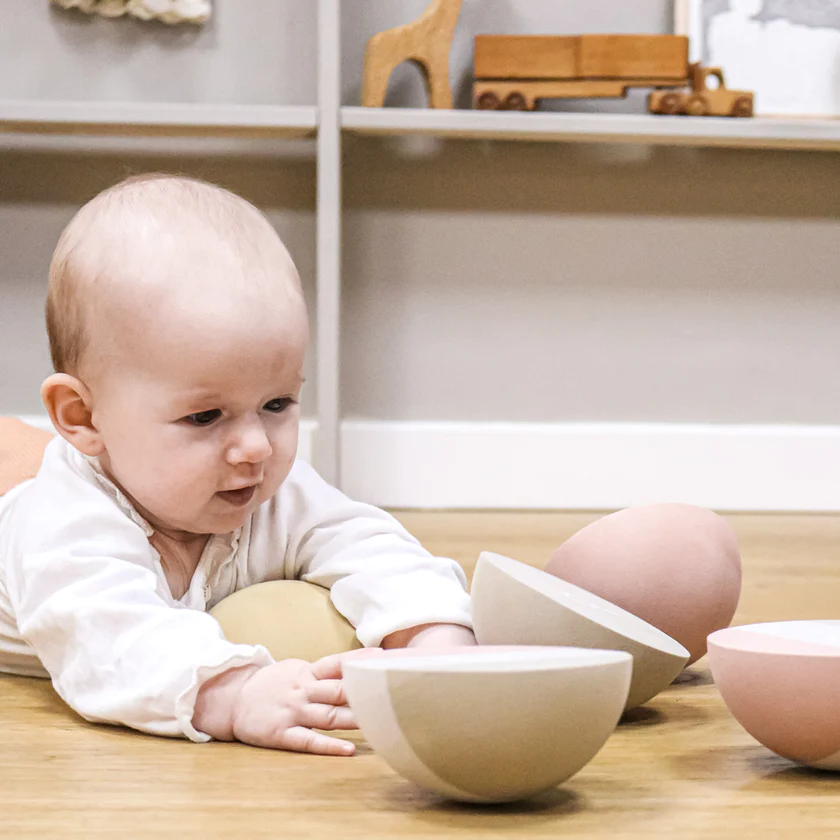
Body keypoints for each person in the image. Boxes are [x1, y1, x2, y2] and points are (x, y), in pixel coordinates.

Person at [0, 173, 475, 756]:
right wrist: (235, 691)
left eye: (277, 404)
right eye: (205, 417)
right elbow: (110, 641)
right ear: (84, 417)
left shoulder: (265, 484)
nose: (256, 447)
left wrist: (434, 635)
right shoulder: (66, 524)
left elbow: (370, 545)